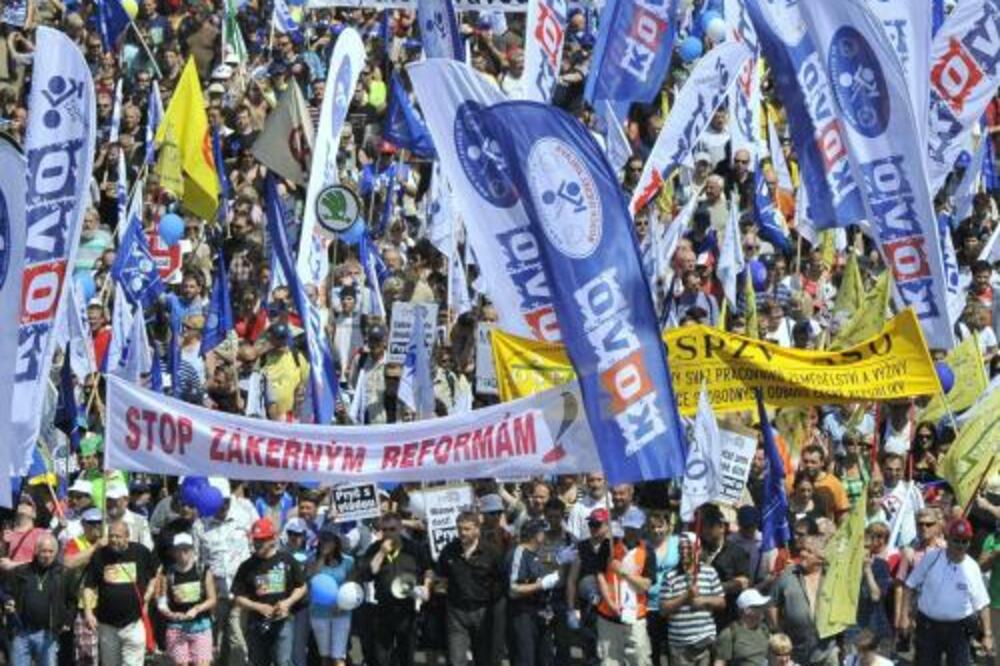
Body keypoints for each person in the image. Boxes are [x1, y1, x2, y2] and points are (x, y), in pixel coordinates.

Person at [900, 517, 992, 666]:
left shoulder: (972, 567)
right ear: (948, 539)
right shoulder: (931, 558)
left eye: (965, 541)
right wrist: (904, 617)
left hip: (959, 630)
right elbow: (909, 585)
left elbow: (982, 604)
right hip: (928, 627)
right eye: (956, 540)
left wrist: (987, 634)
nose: (960, 545)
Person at [231, 517, 308, 666]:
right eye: (255, 540)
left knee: (283, 661)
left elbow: (302, 586)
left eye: (262, 540)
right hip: (256, 624)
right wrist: (258, 607)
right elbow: (238, 597)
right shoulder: (246, 566)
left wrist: (288, 602)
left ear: (273, 538)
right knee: (259, 662)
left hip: (283, 621)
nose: (257, 543)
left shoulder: (287, 559)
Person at [357, 512, 431, 666]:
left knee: (406, 655)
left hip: (408, 609)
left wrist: (426, 587)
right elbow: (367, 574)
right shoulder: (375, 549)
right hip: (384, 608)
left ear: (400, 529)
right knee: (381, 657)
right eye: (384, 530)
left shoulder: (413, 548)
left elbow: (428, 569)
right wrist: (382, 552)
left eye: (392, 529)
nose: (388, 533)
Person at [435, 510, 506, 666]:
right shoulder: (448, 551)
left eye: (467, 529)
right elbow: (440, 578)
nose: (462, 533)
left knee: (484, 658)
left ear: (477, 529)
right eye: (459, 529)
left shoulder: (491, 552)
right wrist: (440, 589)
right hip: (456, 612)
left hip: (483, 611)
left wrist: (493, 605)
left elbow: (502, 580)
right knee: (456, 659)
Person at [82, 520, 157, 666]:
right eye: (111, 536)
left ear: (127, 537)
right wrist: (88, 612)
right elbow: (89, 586)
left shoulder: (141, 552)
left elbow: (156, 572)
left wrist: (149, 594)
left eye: (118, 536)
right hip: (107, 625)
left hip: (133, 623)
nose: (113, 540)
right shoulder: (99, 555)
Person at [594, 512, 655, 666]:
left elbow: (645, 585)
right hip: (608, 615)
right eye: (629, 528)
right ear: (623, 527)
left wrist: (624, 573)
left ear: (643, 528)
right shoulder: (609, 546)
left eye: (636, 528)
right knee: (610, 660)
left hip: (636, 616)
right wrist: (609, 602)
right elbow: (600, 575)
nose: (632, 532)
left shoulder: (648, 551)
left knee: (639, 659)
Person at [3, 534, 73, 666]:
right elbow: (6, 591)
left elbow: (72, 600)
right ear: (36, 551)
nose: (47, 555)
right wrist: (8, 601)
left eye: (50, 551)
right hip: (21, 632)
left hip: (48, 634)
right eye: (43, 551)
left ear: (56, 553)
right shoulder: (21, 571)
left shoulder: (64, 574)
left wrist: (67, 620)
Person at [768, 535, 838, 665]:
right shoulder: (788, 574)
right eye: (802, 550)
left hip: (827, 651)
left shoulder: (832, 577)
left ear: (821, 558)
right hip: (796, 651)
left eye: (809, 551)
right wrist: (778, 631)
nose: (802, 553)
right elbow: (773, 603)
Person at [660, 533, 725, 666]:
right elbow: (663, 610)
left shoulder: (710, 572)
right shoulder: (670, 576)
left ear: (698, 549)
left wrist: (703, 601)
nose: (684, 552)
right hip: (680, 646)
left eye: (689, 548)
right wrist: (686, 597)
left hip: (704, 642)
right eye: (681, 548)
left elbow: (722, 602)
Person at [505, 518, 561, 666]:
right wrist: (541, 585)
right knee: (525, 659)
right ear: (537, 535)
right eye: (544, 533)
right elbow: (513, 590)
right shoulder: (519, 553)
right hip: (522, 616)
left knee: (545, 659)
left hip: (540, 615)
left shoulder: (536, 554)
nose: (547, 536)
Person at [156, 533, 216, 666]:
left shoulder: (202, 570)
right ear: (173, 551)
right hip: (177, 628)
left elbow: (212, 599)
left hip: (201, 626)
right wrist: (171, 614)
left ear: (192, 549)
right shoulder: (167, 573)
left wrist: (196, 609)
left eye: (186, 549)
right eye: (179, 549)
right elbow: (161, 602)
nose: (182, 553)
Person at [307, 524, 355, 666]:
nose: (325, 542)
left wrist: (342, 604)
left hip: (341, 613)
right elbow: (311, 580)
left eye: (329, 539)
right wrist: (321, 557)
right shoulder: (312, 559)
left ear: (336, 541)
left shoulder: (348, 561)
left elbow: (350, 586)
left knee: (338, 657)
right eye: (323, 539)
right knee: (325, 657)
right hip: (319, 613)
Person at [713, 589, 773, 666]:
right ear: (747, 610)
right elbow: (720, 662)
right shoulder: (729, 634)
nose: (764, 609)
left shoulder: (763, 629)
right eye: (759, 606)